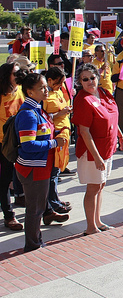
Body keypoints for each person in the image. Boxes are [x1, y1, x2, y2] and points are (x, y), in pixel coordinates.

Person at [15, 73, 68, 252]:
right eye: (42, 88)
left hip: (41, 167)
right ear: (29, 92)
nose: (46, 90)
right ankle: (33, 244)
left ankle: (36, 240)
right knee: (35, 210)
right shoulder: (29, 114)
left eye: (46, 86)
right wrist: (54, 143)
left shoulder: (38, 108)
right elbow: (28, 144)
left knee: (37, 208)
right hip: (33, 169)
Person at [72, 64, 123, 235]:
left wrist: (120, 136)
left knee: (101, 186)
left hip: (107, 148)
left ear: (98, 77)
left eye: (92, 78)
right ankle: (90, 227)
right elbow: (84, 131)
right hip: (92, 152)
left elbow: (112, 117)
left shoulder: (103, 93)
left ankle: (98, 221)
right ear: (80, 82)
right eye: (85, 79)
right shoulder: (82, 99)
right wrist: (96, 157)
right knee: (93, 187)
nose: (90, 82)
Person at [42, 67, 73, 216]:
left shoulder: (59, 91)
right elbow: (43, 119)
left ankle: (55, 200)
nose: (60, 86)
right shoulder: (45, 96)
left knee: (57, 170)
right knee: (53, 173)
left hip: (64, 134)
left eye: (61, 83)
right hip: (54, 135)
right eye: (57, 83)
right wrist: (59, 113)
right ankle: (52, 203)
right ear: (49, 80)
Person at [0, 63, 27, 231]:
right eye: (16, 73)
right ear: (6, 76)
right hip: (3, 143)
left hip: (20, 141)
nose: (19, 75)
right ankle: (9, 216)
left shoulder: (21, 90)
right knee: (4, 180)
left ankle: (45, 209)